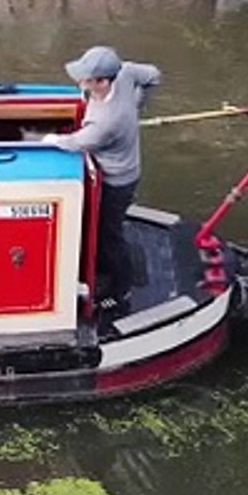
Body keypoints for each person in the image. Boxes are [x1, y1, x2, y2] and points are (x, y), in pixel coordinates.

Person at [42, 45, 160, 312]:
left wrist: (49, 140)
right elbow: (154, 75)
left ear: (103, 81)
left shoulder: (107, 122)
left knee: (110, 236)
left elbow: (75, 143)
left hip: (116, 181)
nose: (81, 82)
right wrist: (137, 102)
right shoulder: (127, 73)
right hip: (128, 167)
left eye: (87, 79)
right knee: (108, 230)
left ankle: (121, 290)